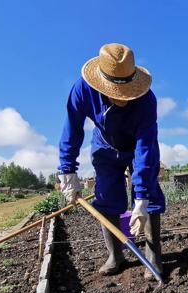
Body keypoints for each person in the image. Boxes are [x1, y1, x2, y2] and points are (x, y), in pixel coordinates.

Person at [57, 43, 165, 280]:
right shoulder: (82, 90)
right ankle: (115, 255)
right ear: (102, 86)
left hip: (137, 146)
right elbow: (72, 128)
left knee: (150, 197)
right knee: (106, 197)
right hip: (105, 147)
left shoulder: (147, 101)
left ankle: (153, 255)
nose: (124, 100)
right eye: (118, 94)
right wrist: (67, 170)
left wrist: (142, 199)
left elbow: (146, 147)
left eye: (128, 93)